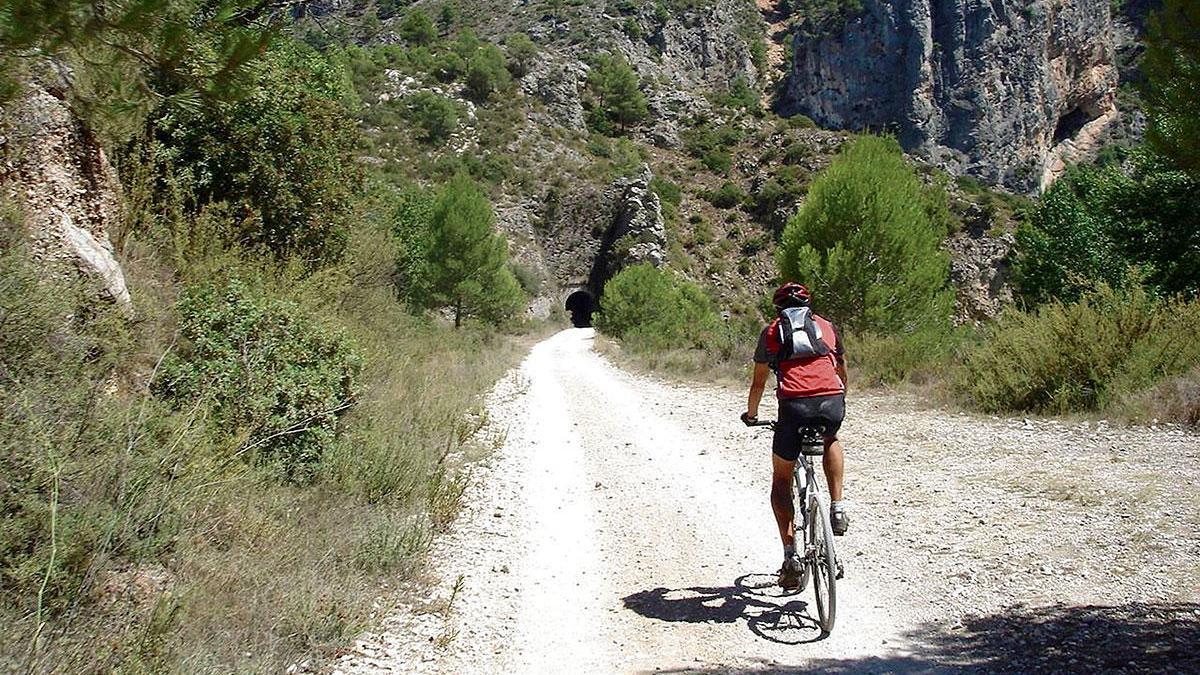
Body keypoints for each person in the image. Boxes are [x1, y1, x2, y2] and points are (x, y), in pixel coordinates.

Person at [742, 281, 849, 590]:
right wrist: (842, 397)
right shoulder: (826, 326)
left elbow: (759, 383)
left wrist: (752, 416)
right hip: (832, 402)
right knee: (831, 439)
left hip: (793, 408)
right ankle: (838, 505)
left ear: (778, 308)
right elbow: (841, 367)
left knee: (781, 480)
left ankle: (790, 556)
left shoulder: (772, 332)